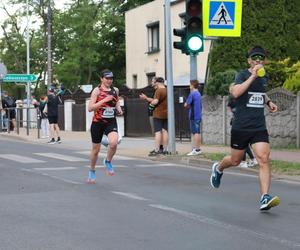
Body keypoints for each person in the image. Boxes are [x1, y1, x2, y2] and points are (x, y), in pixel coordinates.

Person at [210, 45, 280, 211]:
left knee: (263, 158)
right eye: (255, 58)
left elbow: (261, 92)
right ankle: (218, 168)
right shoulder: (242, 75)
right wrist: (252, 77)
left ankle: (264, 197)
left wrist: (269, 102)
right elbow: (235, 92)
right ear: (249, 60)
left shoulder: (264, 77)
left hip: (258, 126)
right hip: (241, 126)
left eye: (261, 58)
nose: (258, 60)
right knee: (235, 160)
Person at [87, 69, 123, 183]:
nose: (109, 80)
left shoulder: (115, 90)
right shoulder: (97, 91)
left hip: (110, 121)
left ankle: (107, 161)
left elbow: (116, 101)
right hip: (97, 123)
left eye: (111, 78)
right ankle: (92, 171)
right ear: (101, 79)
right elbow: (90, 108)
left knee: (113, 142)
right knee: (95, 150)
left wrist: (119, 109)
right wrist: (103, 100)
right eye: (107, 78)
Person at [227, 91, 257, 168]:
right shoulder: (242, 99)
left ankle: (244, 162)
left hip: (240, 124)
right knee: (245, 143)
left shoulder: (233, 99)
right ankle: (252, 159)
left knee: (242, 143)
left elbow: (229, 109)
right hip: (244, 122)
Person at [140, 77, 168, 156]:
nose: (153, 83)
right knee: (165, 131)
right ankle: (164, 149)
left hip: (158, 114)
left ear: (158, 82)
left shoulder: (159, 90)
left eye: (154, 82)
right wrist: (146, 98)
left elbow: (155, 101)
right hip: (166, 114)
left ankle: (157, 150)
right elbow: (158, 100)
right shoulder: (166, 89)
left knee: (158, 132)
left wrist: (150, 106)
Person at [184, 79, 202, 156]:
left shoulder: (192, 94)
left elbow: (186, 104)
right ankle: (197, 149)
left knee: (195, 133)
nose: (189, 86)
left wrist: (186, 104)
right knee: (197, 132)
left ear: (192, 85)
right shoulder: (198, 93)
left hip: (193, 116)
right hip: (198, 115)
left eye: (190, 84)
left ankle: (197, 149)